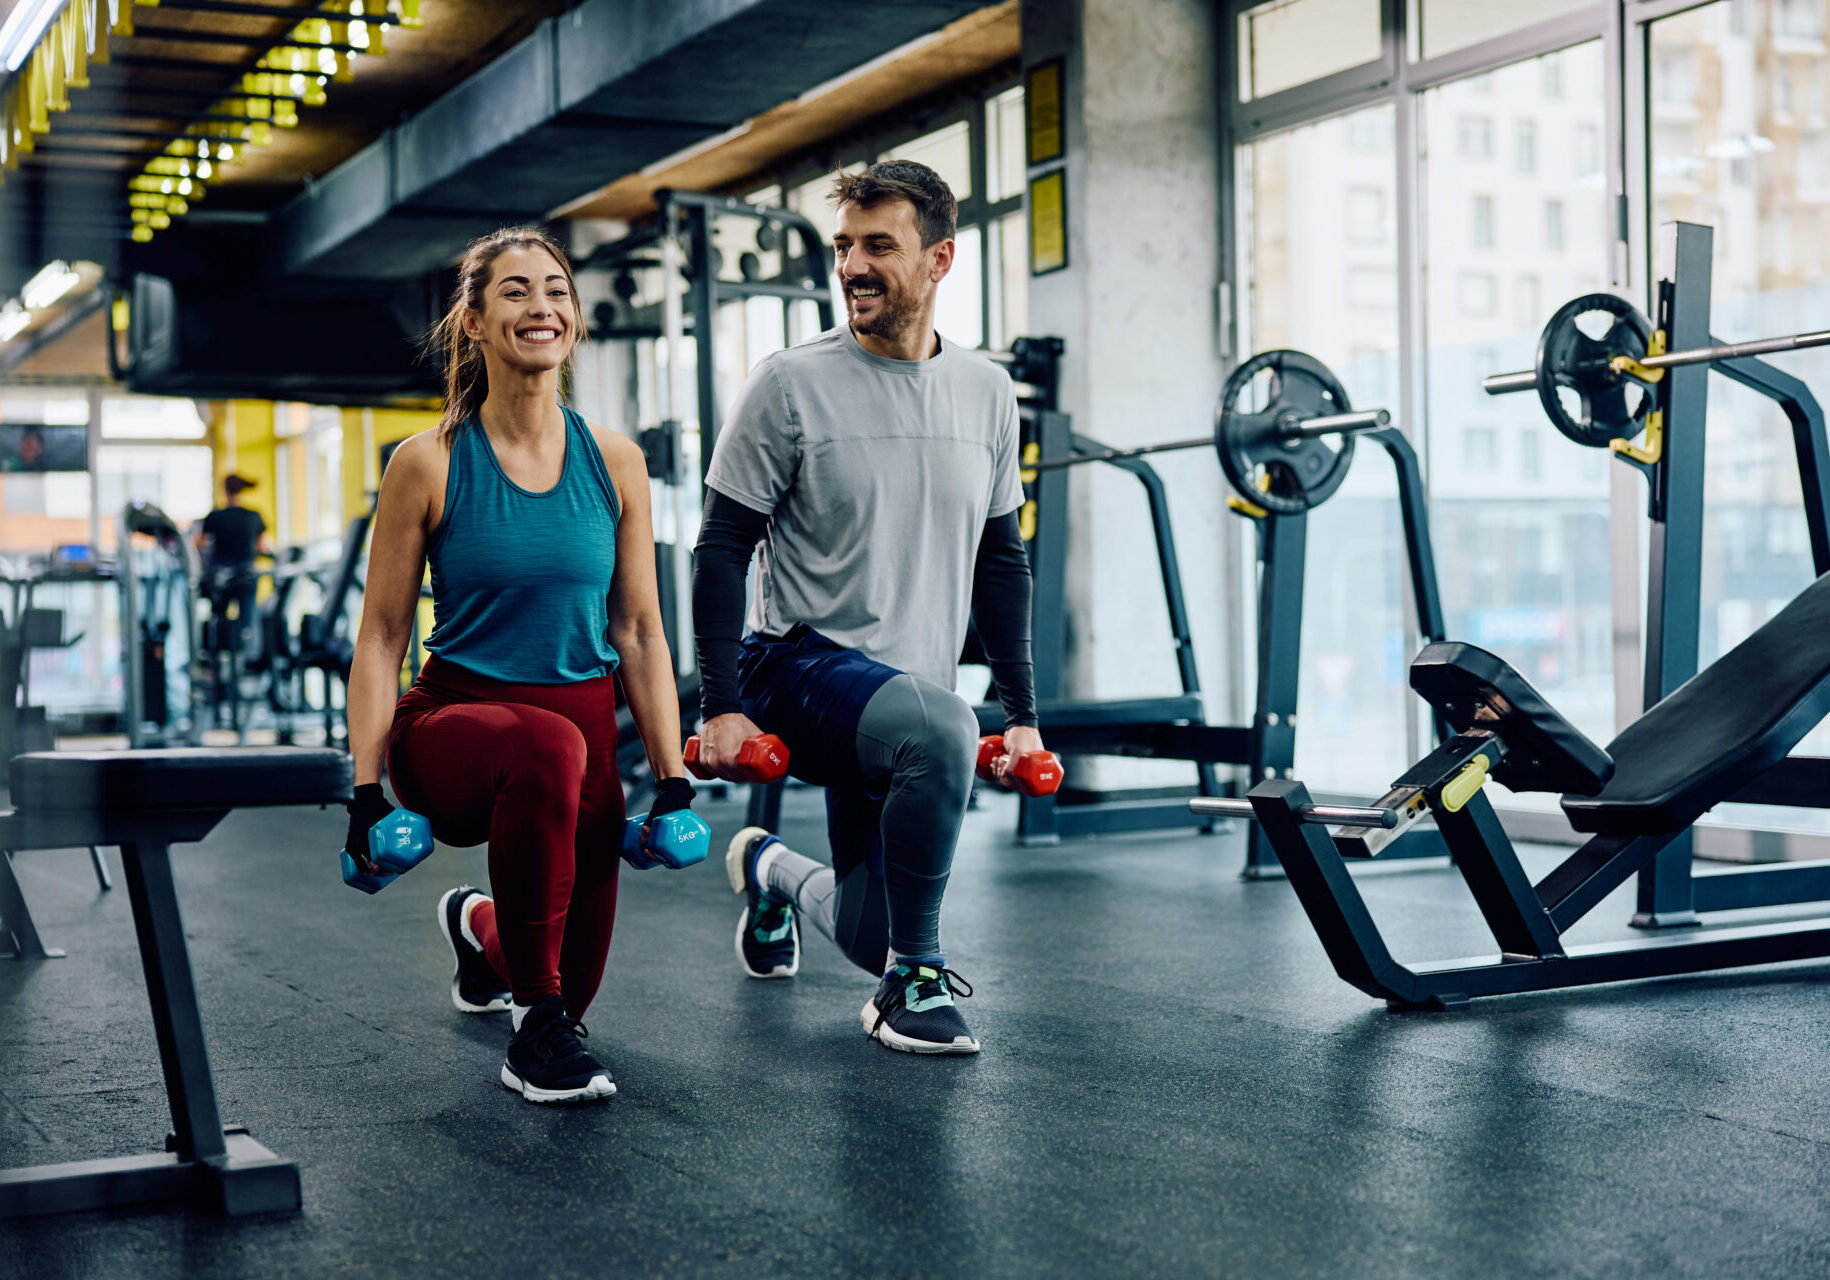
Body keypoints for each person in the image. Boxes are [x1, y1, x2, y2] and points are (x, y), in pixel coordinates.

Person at [692, 160, 1043, 1056]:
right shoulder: (789, 383)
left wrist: (1028, 719)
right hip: (798, 666)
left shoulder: (987, 393)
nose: (852, 264)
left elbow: (1002, 563)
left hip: (904, 696)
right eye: (843, 245)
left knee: (862, 930)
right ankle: (913, 981)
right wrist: (721, 705)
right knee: (941, 730)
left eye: (878, 245)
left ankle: (768, 872)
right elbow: (722, 546)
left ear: (939, 261)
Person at [345, 226, 693, 1104]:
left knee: (570, 981)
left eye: (557, 290)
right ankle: (530, 1036)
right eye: (515, 291)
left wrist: (674, 778)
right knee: (550, 1004)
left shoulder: (614, 460)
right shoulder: (426, 462)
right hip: (454, 729)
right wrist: (362, 794)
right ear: (472, 318)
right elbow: (384, 636)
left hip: (578, 741)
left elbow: (641, 631)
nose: (542, 306)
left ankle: (481, 930)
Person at [195, 474, 272, 655]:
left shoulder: (215, 516)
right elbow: (262, 546)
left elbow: (199, 544)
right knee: (247, 622)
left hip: (221, 576)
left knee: (219, 620)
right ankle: (246, 659)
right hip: (246, 575)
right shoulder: (253, 515)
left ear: (225, 490)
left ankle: (219, 659)